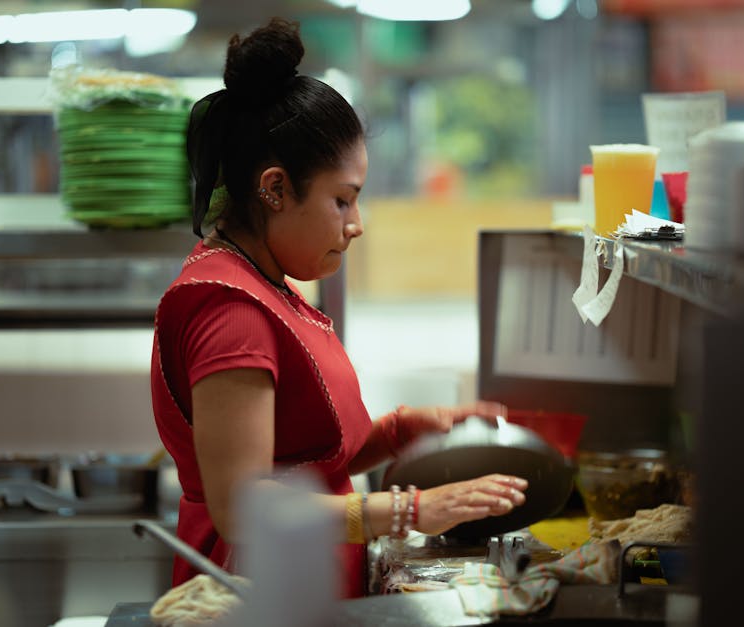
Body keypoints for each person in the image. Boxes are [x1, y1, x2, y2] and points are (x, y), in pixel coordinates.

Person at [150, 17, 528, 599]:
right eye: (342, 200)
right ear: (274, 189)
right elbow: (243, 508)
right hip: (254, 598)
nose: (356, 225)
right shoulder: (230, 312)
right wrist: (408, 509)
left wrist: (401, 432)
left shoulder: (264, 285)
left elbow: (306, 459)